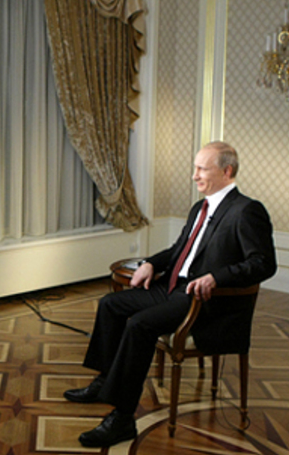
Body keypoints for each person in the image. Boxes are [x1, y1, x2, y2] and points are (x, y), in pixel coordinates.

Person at [64, 141, 277, 448]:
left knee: (139, 325)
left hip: (203, 301)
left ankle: (122, 418)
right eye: (195, 168)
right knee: (110, 304)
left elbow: (263, 264)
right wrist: (151, 263)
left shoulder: (246, 210)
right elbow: (180, 250)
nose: (194, 175)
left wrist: (216, 277)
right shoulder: (199, 208)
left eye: (202, 169)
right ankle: (104, 381)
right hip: (172, 288)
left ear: (227, 171)